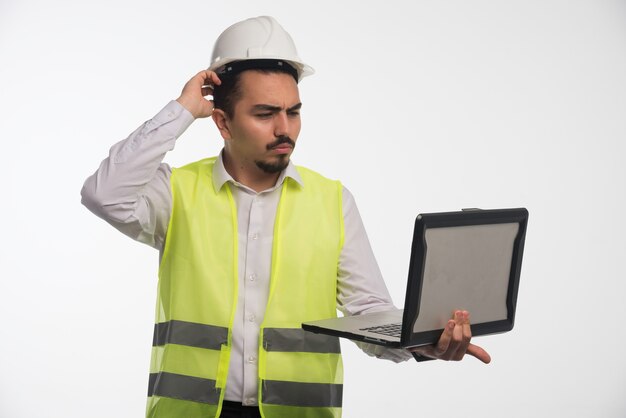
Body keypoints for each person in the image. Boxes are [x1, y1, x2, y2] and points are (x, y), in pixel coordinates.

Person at [81, 16, 490, 418]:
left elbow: (368, 311)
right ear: (223, 122)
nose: (285, 129)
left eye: (293, 112)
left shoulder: (332, 201)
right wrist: (183, 110)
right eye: (264, 114)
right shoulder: (176, 193)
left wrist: (423, 343)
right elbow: (104, 193)